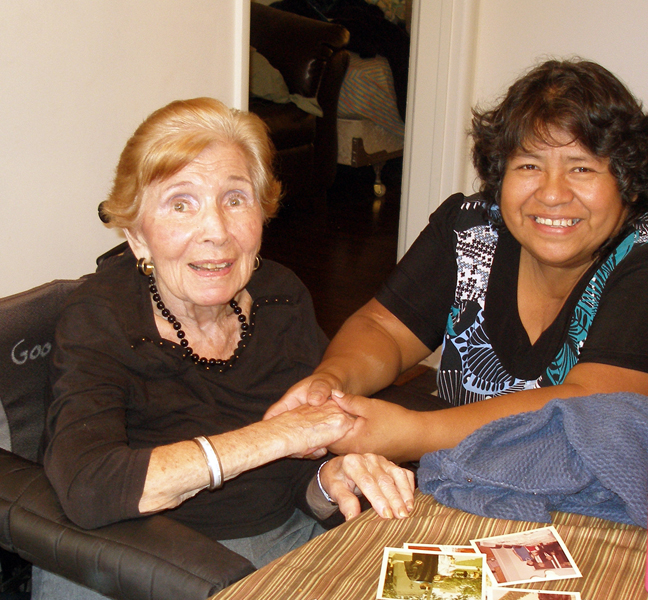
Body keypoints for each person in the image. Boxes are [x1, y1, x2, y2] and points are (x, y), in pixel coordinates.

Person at [39, 98, 414, 599]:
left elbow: (299, 463)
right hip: (136, 563)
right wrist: (276, 435)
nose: (216, 232)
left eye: (235, 199)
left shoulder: (281, 297)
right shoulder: (101, 317)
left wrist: (331, 476)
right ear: (137, 236)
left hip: (279, 547)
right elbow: (88, 486)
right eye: (181, 204)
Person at [265, 58, 648, 463]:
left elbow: (592, 408)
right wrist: (332, 382)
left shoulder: (640, 257)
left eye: (582, 168)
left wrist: (414, 433)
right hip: (462, 482)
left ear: (628, 182)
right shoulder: (471, 229)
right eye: (529, 165)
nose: (552, 194)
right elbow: (384, 328)